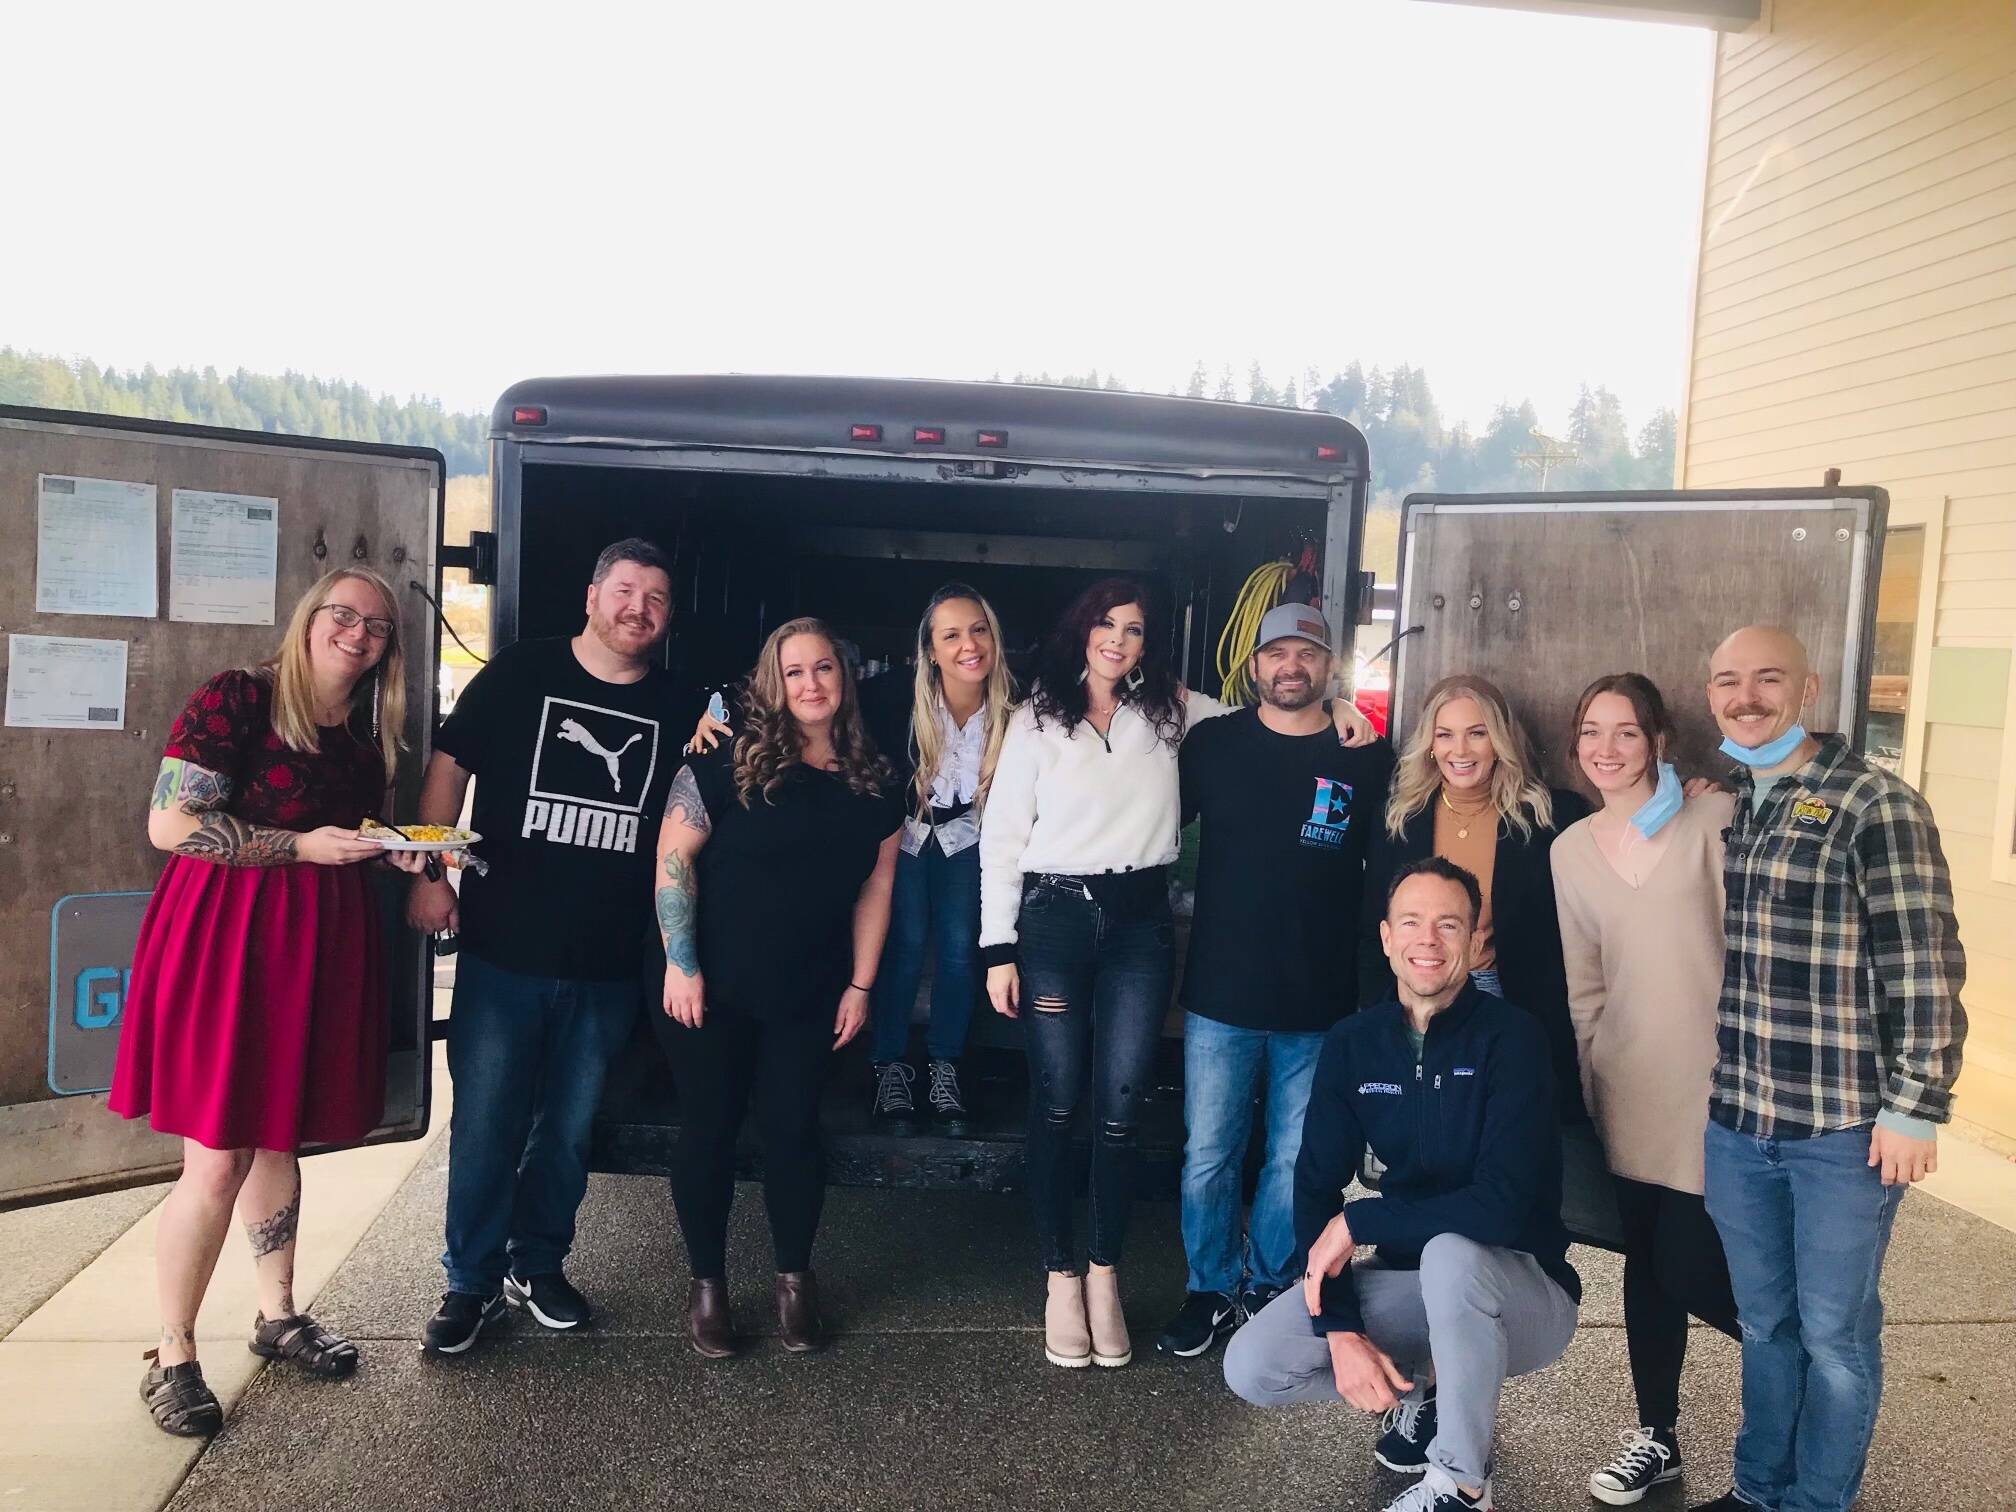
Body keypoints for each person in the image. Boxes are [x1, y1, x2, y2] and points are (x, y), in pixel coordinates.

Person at [980, 577, 1371, 1370]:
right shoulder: (1035, 718)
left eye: (1133, 629)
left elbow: (1270, 715)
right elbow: (1001, 838)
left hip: (1139, 925)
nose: (1119, 640)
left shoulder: (1173, 712)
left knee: (1122, 1117)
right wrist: (996, 947)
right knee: (1061, 1105)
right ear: (1080, 631)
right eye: (1106, 625)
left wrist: (1345, 712)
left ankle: (1112, 1276)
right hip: (1054, 919)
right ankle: (1064, 1279)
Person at [110, 568, 426, 1437]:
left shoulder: (364, 747)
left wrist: (390, 853)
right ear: (309, 620)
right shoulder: (238, 700)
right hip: (223, 942)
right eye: (343, 615)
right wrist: (299, 847)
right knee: (216, 1156)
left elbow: (345, 844)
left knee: (279, 1135)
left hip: (314, 949)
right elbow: (169, 826)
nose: (358, 633)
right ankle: (172, 1354)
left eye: (377, 626)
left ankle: (277, 1313)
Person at [1690, 627, 1968, 1512]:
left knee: (1834, 1337)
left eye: (1767, 678)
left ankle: (1816, 1502)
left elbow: (1923, 962)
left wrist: (1916, 1103)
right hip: (1740, 1123)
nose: (1746, 696)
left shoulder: (1873, 803)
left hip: (1844, 1131)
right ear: (1711, 697)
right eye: (1728, 682)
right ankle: (1756, 1489)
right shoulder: (1735, 799)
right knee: (1765, 1327)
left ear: (1806, 687)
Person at [1225, 857, 1580, 1512]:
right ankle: (1428, 1387)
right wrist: (1340, 1330)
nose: (1428, 940)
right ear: (1386, 937)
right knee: (1252, 1366)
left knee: (1452, 1251)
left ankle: (1462, 1484)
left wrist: (1361, 1223)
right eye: (1412, 923)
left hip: (1525, 1292)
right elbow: (1315, 1188)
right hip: (1416, 1285)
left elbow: (1498, 1211)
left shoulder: (1515, 1040)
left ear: (1476, 944)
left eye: (1450, 926)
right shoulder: (1354, 1042)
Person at [408, 538, 678, 1355]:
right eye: (625, 590)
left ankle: (539, 1265)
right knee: (486, 1125)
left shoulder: (682, 703)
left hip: (605, 966)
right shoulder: (523, 672)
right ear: (592, 596)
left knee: (566, 1131)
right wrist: (429, 868)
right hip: (501, 953)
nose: (639, 608)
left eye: (656, 598)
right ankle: (470, 1283)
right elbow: (448, 768)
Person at [654, 617, 902, 1356]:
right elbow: (675, 863)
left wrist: (860, 987)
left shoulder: (875, 780)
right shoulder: (721, 762)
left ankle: (795, 1281)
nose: (811, 684)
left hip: (810, 991)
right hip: (709, 988)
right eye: (794, 672)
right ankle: (708, 1289)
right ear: (773, 683)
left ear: (844, 679)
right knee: (709, 1132)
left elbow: (877, 890)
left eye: (823, 668)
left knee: (794, 1133)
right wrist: (681, 962)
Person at [1155, 603, 1394, 1359]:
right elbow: (1143, 798)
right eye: (1278, 654)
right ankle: (1208, 1288)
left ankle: (1266, 1285)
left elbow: (1388, 864)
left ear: (1330, 668)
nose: (1293, 667)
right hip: (1221, 993)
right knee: (1208, 1154)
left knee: (1296, 1158)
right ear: (1254, 667)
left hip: (1318, 999)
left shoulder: (1365, 756)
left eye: (1309, 654)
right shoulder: (1213, 744)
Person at [687, 583, 1014, 1133]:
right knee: (903, 946)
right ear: (929, 648)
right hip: (905, 835)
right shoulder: (892, 694)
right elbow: (784, 692)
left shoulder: (1015, 705)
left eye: (978, 630)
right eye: (951, 634)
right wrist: (710, 711)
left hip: (968, 840)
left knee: (960, 951)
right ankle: (889, 1064)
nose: (968, 645)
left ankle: (945, 1063)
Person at [1550, 674, 1740, 1506]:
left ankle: (1799, 1371)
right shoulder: (1572, 849)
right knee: (1647, 1273)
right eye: (1592, 731)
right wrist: (1594, 1080)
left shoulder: (1715, 820)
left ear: (1658, 739)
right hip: (1625, 1084)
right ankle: (1655, 1434)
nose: (1607, 749)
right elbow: (1583, 986)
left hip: (1716, 1088)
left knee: (1692, 1266)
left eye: (1626, 732)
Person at [1363, 674, 1589, 1122]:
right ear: (1429, 743)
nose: (1459, 751)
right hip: (1420, 997)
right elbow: (1373, 924)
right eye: (1445, 735)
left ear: (1500, 739)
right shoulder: (1399, 819)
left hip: (1515, 1005)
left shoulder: (1552, 816)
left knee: (1503, 1137)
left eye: (1477, 733)